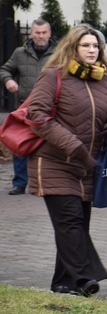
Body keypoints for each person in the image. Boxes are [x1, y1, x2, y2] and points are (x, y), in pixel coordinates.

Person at [25, 23, 107, 296]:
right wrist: (73, 146)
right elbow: (36, 115)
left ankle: (63, 283)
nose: (92, 50)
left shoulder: (102, 80)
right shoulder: (54, 76)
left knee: (76, 225)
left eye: (95, 46)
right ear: (72, 48)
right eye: (86, 45)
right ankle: (86, 277)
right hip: (54, 162)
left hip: (86, 166)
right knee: (71, 221)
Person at [0, 19, 57, 195]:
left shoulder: (59, 53)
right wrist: (8, 80)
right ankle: (20, 183)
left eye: (44, 32)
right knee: (21, 144)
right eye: (37, 33)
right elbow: (5, 69)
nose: (40, 36)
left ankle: (47, 183)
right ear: (31, 33)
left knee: (50, 146)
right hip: (26, 106)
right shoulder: (20, 53)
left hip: (52, 107)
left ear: (49, 33)